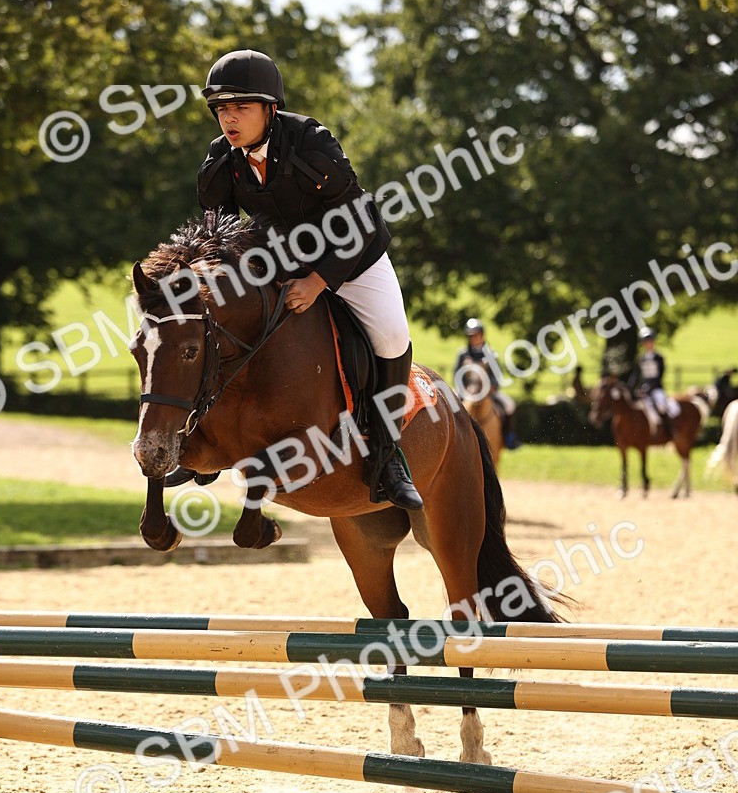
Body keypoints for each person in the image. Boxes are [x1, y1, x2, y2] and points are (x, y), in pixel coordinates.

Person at [195, 48, 422, 511]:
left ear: (270, 109)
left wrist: (319, 282)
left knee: (392, 335)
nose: (229, 119)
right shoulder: (222, 159)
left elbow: (356, 221)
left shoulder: (311, 142)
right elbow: (217, 230)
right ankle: (203, 438)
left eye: (241, 107)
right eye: (222, 109)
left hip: (351, 257)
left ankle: (386, 454)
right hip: (278, 264)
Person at [453, 318, 519, 449]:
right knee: (450, 405)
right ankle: (453, 438)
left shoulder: (491, 354)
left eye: (476, 335)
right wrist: (464, 389)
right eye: (471, 336)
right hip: (466, 391)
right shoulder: (463, 354)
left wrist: (491, 387)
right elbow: (456, 374)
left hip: (488, 391)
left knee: (509, 405)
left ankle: (509, 438)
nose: (473, 338)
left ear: (482, 335)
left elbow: (497, 375)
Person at [627, 326, 680, 436]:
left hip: (656, 388)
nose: (648, 343)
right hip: (644, 389)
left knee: (662, 406)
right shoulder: (641, 358)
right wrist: (630, 388)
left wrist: (648, 388)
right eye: (646, 341)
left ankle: (670, 430)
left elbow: (659, 376)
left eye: (650, 341)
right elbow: (636, 376)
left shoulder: (659, 357)